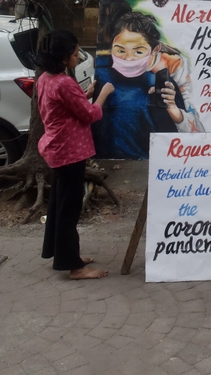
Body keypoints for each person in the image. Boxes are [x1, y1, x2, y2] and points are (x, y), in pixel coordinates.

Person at [36, 29, 114, 279]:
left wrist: (86, 94)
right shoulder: (65, 83)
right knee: (69, 210)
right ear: (63, 57)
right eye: (74, 53)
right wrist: (102, 96)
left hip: (56, 150)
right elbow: (90, 115)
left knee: (59, 205)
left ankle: (60, 253)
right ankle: (75, 268)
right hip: (70, 152)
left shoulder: (46, 79)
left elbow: (65, 105)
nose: (77, 56)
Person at [93, 11, 204, 159]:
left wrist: (176, 112)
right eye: (120, 50)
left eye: (138, 52)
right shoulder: (103, 69)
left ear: (155, 49)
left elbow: (197, 131)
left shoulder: (174, 67)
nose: (128, 58)